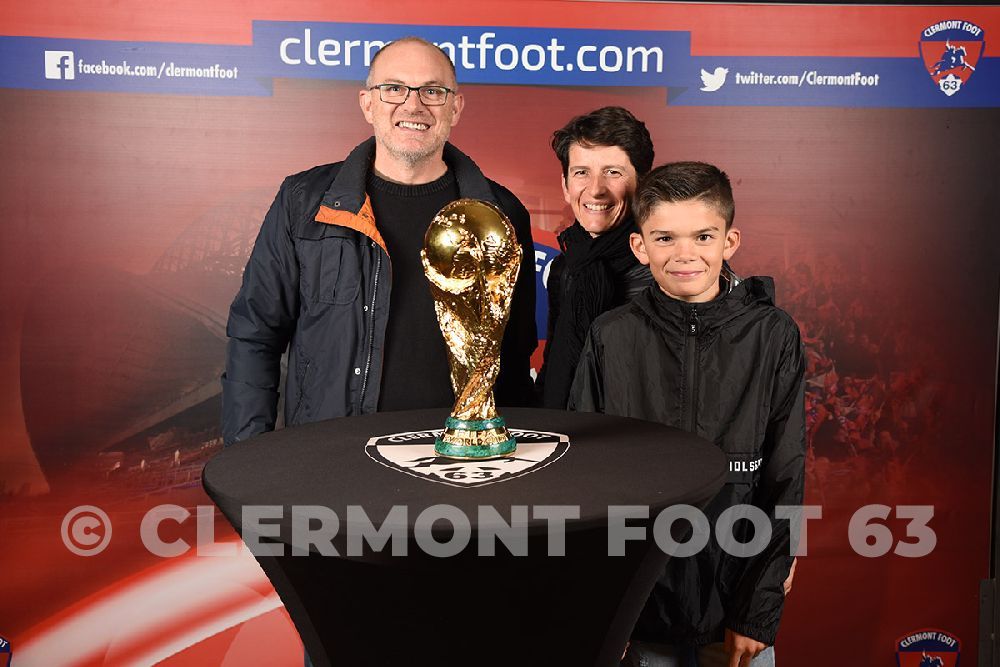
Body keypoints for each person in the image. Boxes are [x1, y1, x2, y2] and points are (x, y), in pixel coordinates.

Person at [222, 36, 537, 447]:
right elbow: (255, 335)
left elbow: (512, 353)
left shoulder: (500, 212)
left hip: (463, 466)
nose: (413, 105)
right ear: (367, 103)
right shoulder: (304, 202)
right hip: (334, 459)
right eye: (394, 88)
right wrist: (248, 459)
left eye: (432, 91)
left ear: (455, 107)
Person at [569, 162, 805, 667]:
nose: (685, 255)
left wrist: (757, 610)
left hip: (735, 608)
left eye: (702, 235)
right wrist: (607, 613)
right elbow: (585, 484)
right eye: (664, 238)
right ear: (640, 247)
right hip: (640, 612)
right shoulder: (611, 336)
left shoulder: (773, 335)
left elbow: (786, 474)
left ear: (729, 241)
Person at [536, 106, 654, 409]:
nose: (596, 190)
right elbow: (555, 364)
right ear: (565, 186)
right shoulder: (565, 266)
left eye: (613, 172)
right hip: (563, 435)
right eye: (581, 173)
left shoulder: (662, 269)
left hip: (634, 441)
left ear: (641, 184)